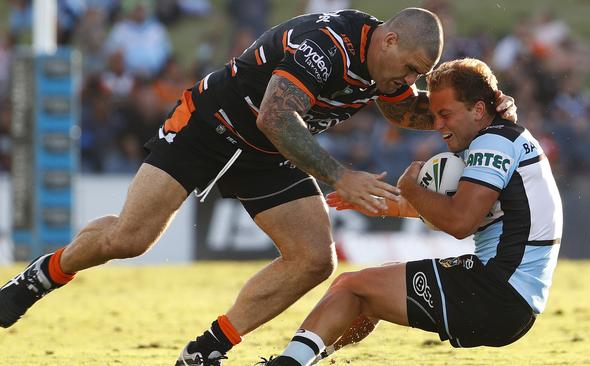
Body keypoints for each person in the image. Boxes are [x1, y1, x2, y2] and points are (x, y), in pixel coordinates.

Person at [0, 8, 516, 366]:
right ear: (389, 41)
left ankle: (209, 347)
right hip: (212, 126)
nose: (408, 81)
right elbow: (275, 114)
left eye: (417, 75)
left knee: (315, 259)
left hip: (270, 153)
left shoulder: (384, 67)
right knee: (131, 238)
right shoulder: (327, 46)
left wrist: (484, 113)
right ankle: (38, 279)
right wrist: (339, 175)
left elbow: (409, 109)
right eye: (408, 69)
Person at [263, 58, 562, 366]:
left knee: (350, 286)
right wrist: (382, 201)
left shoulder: (493, 142)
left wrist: (410, 187)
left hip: (495, 290)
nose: (437, 125)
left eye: (445, 114)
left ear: (477, 110)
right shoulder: (503, 136)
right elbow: (458, 213)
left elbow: (459, 222)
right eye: (434, 115)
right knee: (370, 291)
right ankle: (304, 359)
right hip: (514, 300)